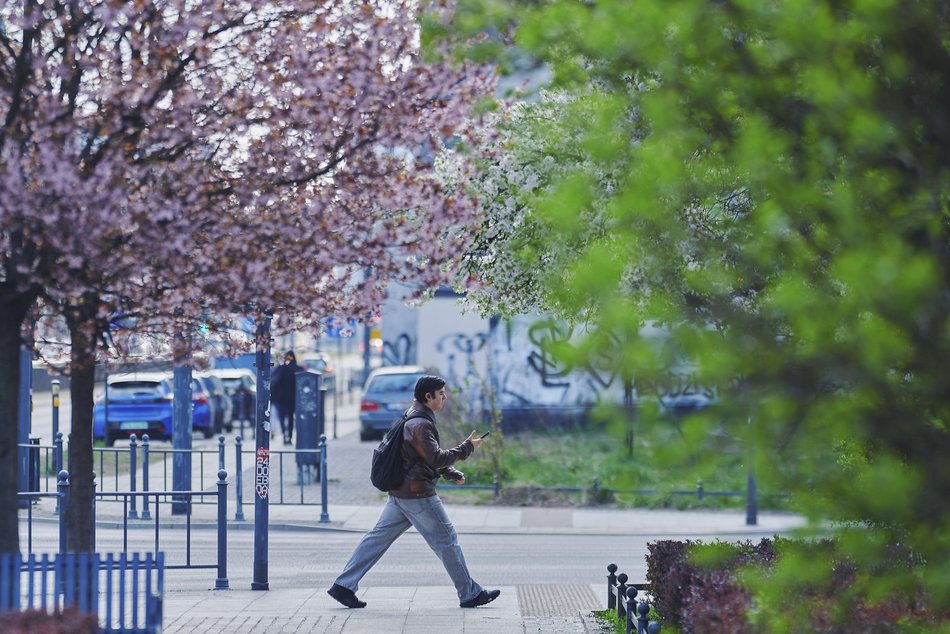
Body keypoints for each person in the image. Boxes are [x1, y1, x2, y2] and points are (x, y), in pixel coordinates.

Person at [327, 375, 500, 609]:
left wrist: (449, 472)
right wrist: (466, 447)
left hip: (401, 492)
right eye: (441, 394)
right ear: (428, 396)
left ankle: (343, 586)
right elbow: (435, 457)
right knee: (447, 541)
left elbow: (421, 457)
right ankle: (470, 594)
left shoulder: (413, 415)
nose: (445, 398)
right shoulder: (420, 424)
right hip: (418, 495)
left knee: (377, 539)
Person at [269, 350, 298, 443]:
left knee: (281, 416)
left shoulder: (281, 368)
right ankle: (289, 436)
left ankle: (284, 433)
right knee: (290, 417)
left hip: (281, 398)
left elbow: (274, 382)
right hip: (293, 398)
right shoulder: (296, 368)